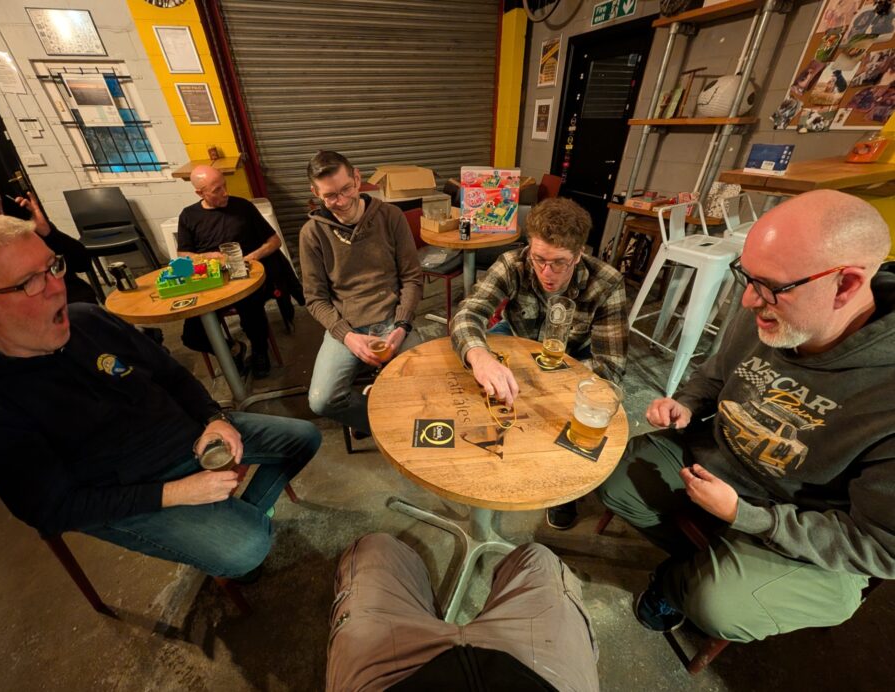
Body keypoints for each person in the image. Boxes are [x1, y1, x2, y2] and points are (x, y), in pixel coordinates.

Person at [597, 190, 895, 643]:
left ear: (846, 285)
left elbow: (880, 545)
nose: (748, 301)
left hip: (806, 523)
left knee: (719, 606)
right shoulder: (769, 310)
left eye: (770, 286)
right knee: (611, 475)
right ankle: (702, 565)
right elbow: (717, 372)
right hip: (718, 465)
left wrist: (750, 518)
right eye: (747, 277)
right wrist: (688, 402)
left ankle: (679, 585)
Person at [0, 215, 321, 579]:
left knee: (304, 438)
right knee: (248, 551)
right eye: (30, 282)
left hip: (191, 440)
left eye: (52, 267)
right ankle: (235, 526)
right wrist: (178, 493)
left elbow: (171, 374)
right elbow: (52, 509)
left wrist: (213, 419)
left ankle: (237, 517)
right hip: (130, 492)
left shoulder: (88, 319)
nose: (57, 287)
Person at [450, 196, 629, 530]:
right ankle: (488, 463)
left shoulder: (606, 282)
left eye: (559, 263)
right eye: (539, 259)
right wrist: (481, 358)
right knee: (476, 385)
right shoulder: (513, 263)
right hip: (518, 338)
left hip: (574, 359)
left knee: (580, 413)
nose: (547, 273)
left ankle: (563, 488)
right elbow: (467, 314)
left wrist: (547, 383)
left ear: (579, 254)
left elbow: (611, 366)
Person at [326, 533, 599, 692]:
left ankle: (426, 616)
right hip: (539, 678)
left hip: (391, 681)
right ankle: (429, 618)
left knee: (376, 549)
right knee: (538, 559)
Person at [299, 150, 423, 436]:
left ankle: (386, 410)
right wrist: (347, 336)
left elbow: (412, 278)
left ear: (357, 178)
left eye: (346, 189)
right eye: (331, 196)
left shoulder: (390, 217)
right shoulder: (312, 234)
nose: (342, 201)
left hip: (392, 318)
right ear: (315, 193)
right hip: (348, 325)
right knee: (322, 400)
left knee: (426, 381)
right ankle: (383, 424)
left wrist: (402, 325)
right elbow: (315, 299)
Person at [177, 165, 304, 378]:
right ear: (200, 193)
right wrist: (209, 256)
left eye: (224, 185)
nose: (225, 192)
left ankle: (260, 351)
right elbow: (183, 254)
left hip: (246, 275)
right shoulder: (189, 215)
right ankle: (233, 349)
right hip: (212, 280)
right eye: (217, 190)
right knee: (192, 335)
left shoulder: (243, 207)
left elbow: (274, 241)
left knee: (251, 312)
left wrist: (252, 257)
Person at [0, 176, 97, 349]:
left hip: (71, 315)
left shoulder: (27, 231)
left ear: (0, 207)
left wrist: (48, 233)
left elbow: (83, 262)